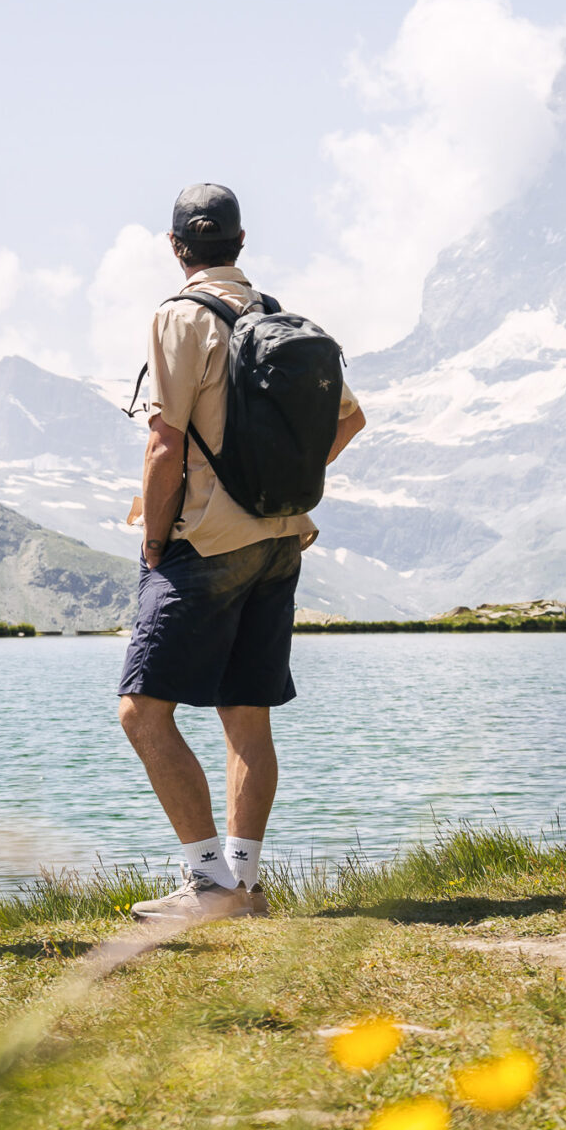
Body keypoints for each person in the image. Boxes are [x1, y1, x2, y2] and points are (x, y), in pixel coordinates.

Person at [117, 183, 365, 922]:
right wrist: (274, 485)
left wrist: (158, 539)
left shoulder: (177, 317)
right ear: (240, 242)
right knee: (246, 717)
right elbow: (350, 420)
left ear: (175, 247)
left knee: (142, 714)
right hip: (280, 539)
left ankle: (207, 885)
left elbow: (165, 442)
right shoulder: (282, 321)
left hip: (206, 542)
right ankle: (244, 886)